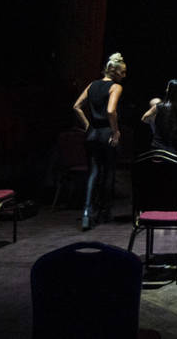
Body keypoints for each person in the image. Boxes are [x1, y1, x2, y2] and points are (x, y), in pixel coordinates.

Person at [73, 52, 127, 230]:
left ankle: (87, 213)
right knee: (109, 171)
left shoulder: (92, 85)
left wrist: (88, 125)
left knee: (94, 172)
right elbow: (111, 111)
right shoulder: (116, 87)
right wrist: (116, 131)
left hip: (92, 134)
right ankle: (105, 211)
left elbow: (77, 107)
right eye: (123, 72)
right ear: (116, 73)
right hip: (106, 133)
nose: (124, 76)